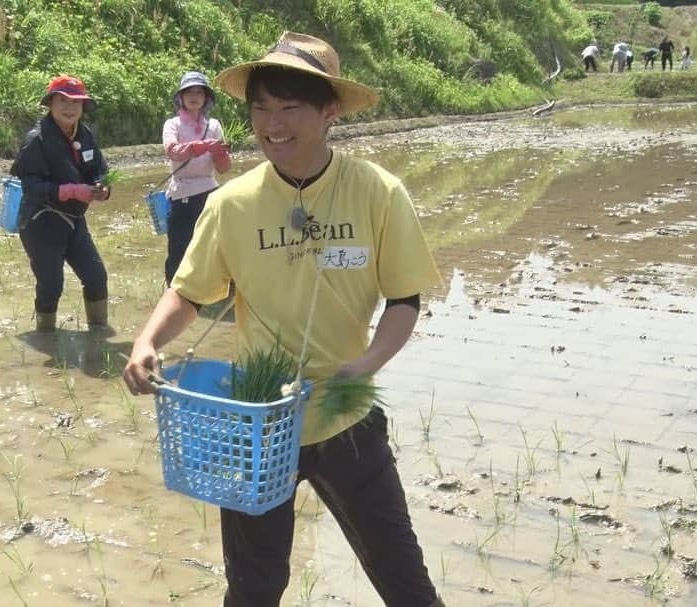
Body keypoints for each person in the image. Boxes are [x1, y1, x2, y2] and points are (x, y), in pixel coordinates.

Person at [123, 31, 445, 607]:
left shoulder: (377, 193)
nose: (273, 123)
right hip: (260, 426)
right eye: (261, 109)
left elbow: (404, 301)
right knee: (253, 588)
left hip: (347, 417)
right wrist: (148, 340)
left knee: (403, 581)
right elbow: (190, 292)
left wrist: (366, 364)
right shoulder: (233, 203)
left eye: (290, 107)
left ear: (329, 112)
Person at [10, 75, 112, 333]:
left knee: (96, 277)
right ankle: (45, 338)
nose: (70, 108)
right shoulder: (37, 139)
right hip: (41, 222)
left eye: (76, 102)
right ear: (50, 104)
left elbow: (99, 169)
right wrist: (71, 191)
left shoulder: (86, 135)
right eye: (62, 101)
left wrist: (102, 187)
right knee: (51, 285)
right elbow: (31, 188)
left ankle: (98, 336)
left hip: (74, 222)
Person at [161, 71, 232, 286]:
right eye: (189, 92)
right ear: (180, 97)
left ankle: (215, 288)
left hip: (210, 191)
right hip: (182, 192)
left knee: (215, 243)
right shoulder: (172, 124)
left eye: (199, 92)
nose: (194, 96)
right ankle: (175, 291)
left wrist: (221, 152)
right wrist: (201, 146)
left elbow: (224, 169)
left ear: (206, 98)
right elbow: (173, 151)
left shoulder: (215, 126)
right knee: (179, 246)